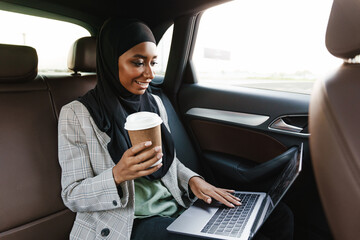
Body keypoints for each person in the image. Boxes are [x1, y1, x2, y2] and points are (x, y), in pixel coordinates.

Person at [58, 18, 293, 240]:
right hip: (129, 221)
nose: (149, 74)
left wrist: (193, 180)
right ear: (111, 61)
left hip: (176, 205)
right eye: (138, 62)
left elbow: (168, 161)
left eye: (153, 63)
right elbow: (72, 194)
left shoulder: (154, 103)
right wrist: (118, 174)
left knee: (279, 215)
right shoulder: (76, 114)